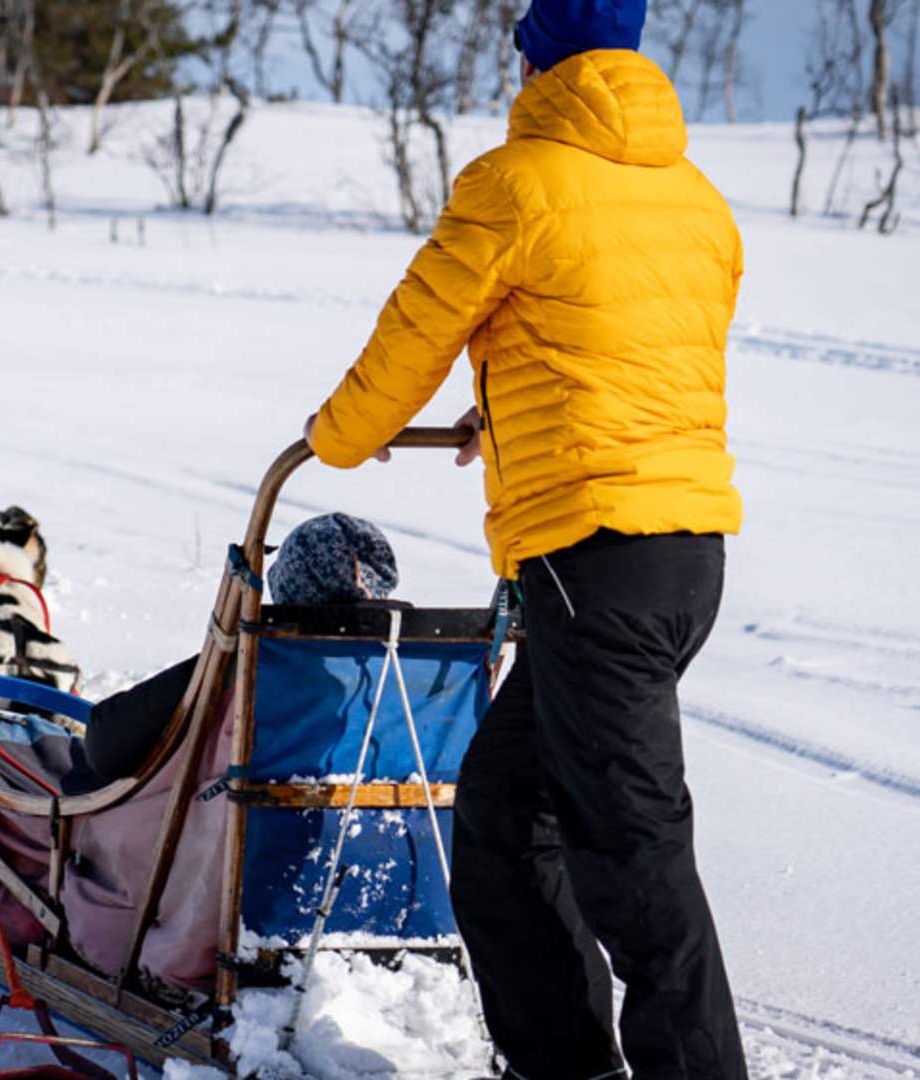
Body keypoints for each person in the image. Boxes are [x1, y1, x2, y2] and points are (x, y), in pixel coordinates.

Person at [301, 0, 749, 1076]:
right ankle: (563, 1063)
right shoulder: (695, 197)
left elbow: (416, 332)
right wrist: (502, 410)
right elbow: (623, 344)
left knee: (633, 857)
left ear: (536, 52)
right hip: (681, 555)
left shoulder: (515, 182)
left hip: (592, 558)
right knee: (504, 821)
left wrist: (341, 438)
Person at [83, 513, 400, 780]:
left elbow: (105, 748)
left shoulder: (247, 667)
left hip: (228, 843)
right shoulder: (408, 685)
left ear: (285, 587)